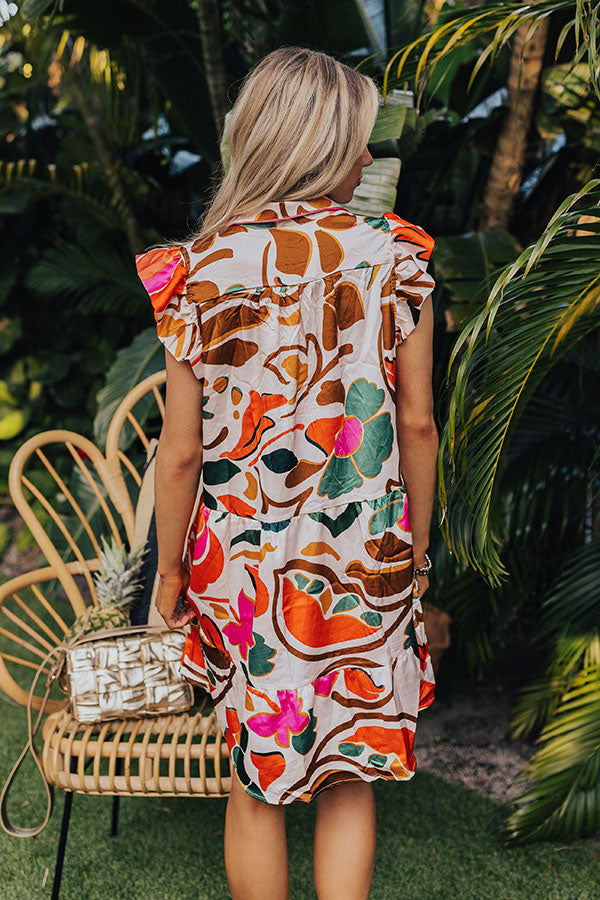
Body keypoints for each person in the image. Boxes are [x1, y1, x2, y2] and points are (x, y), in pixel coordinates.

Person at [135, 46, 438, 900]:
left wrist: (169, 577)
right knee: (350, 774)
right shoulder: (395, 254)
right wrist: (415, 552)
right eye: (359, 138)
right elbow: (416, 423)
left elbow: (181, 451)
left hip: (242, 565)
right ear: (318, 143)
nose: (370, 156)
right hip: (365, 556)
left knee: (254, 778)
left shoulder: (198, 270)